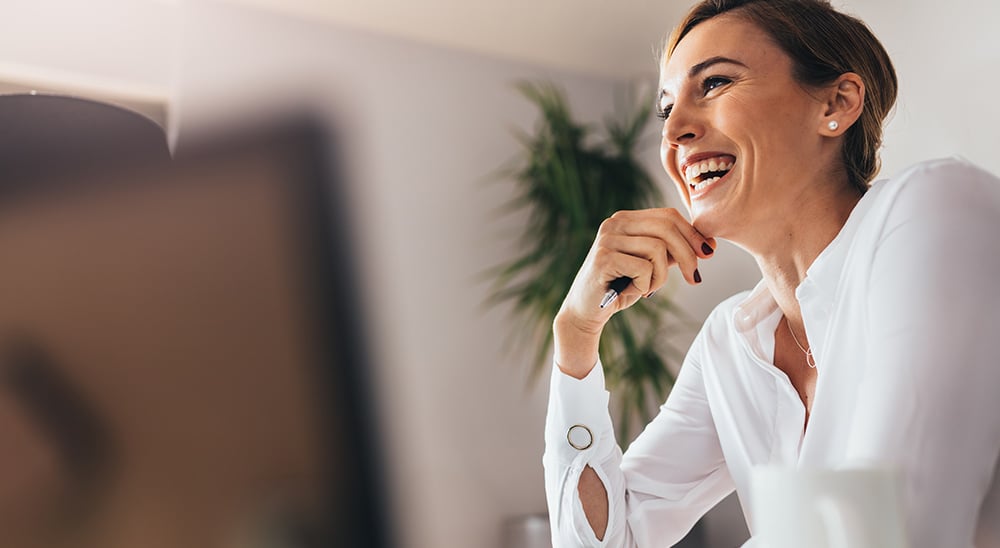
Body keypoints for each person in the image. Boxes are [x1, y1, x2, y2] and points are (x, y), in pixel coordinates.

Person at [542, 0, 1000, 546]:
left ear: (836, 102)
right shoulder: (729, 345)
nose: (676, 133)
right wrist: (575, 335)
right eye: (667, 110)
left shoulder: (937, 208)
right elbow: (606, 541)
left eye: (713, 83)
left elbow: (892, 529)